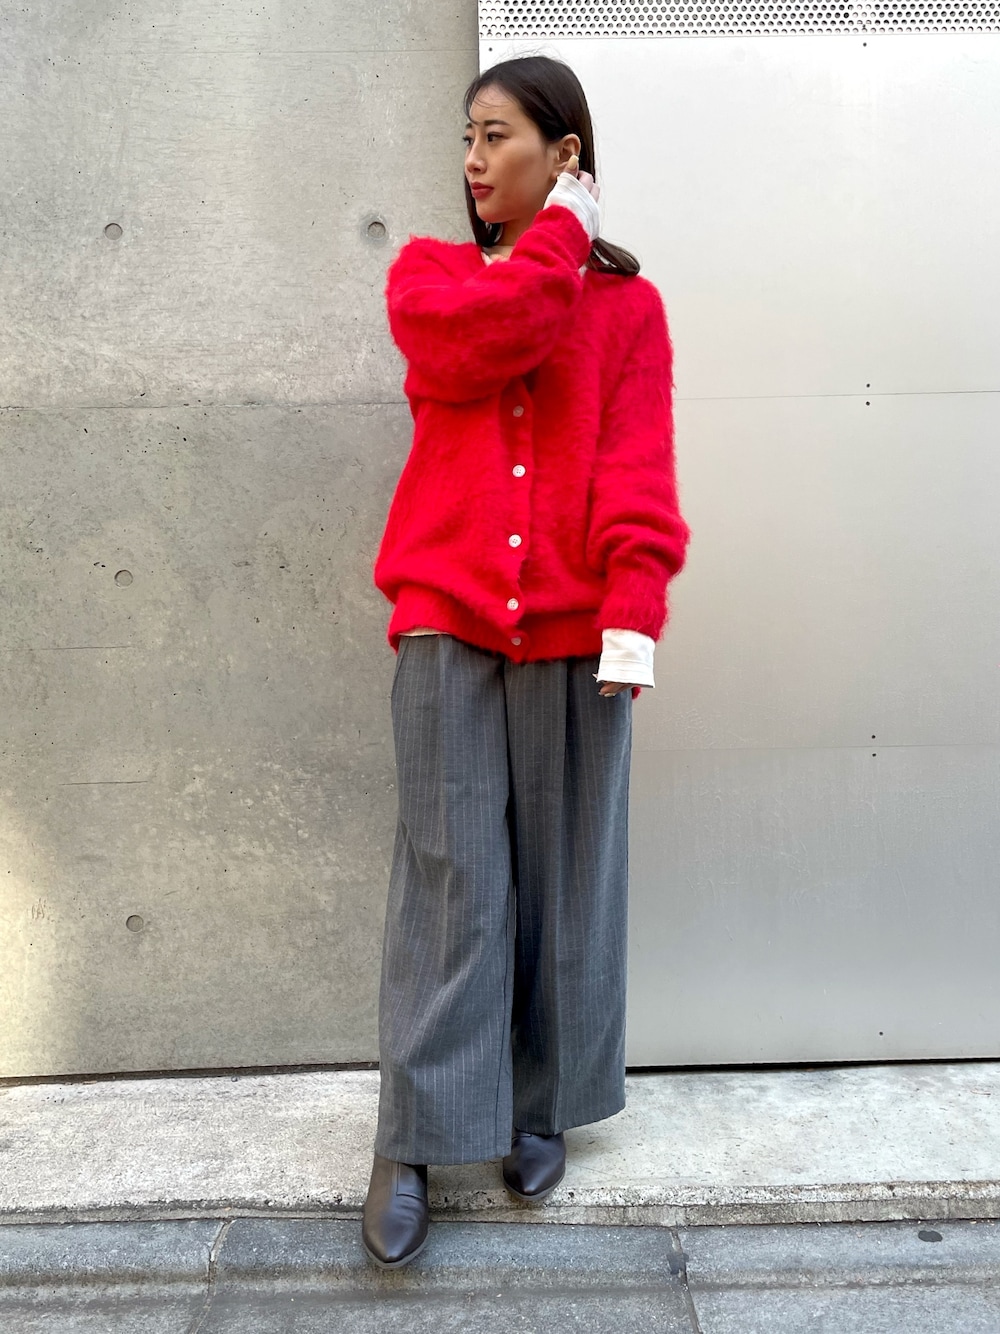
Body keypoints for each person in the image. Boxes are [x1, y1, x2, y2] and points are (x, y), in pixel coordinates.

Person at [361, 54, 690, 1269]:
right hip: (445, 619)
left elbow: (636, 466)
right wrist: (561, 237)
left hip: (573, 628)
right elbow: (480, 347)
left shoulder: (629, 310)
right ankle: (412, 1136)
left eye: (495, 135)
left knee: (564, 881)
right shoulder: (434, 278)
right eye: (466, 137)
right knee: (452, 883)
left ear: (564, 152)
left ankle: (538, 1103)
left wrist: (634, 606)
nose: (472, 159)